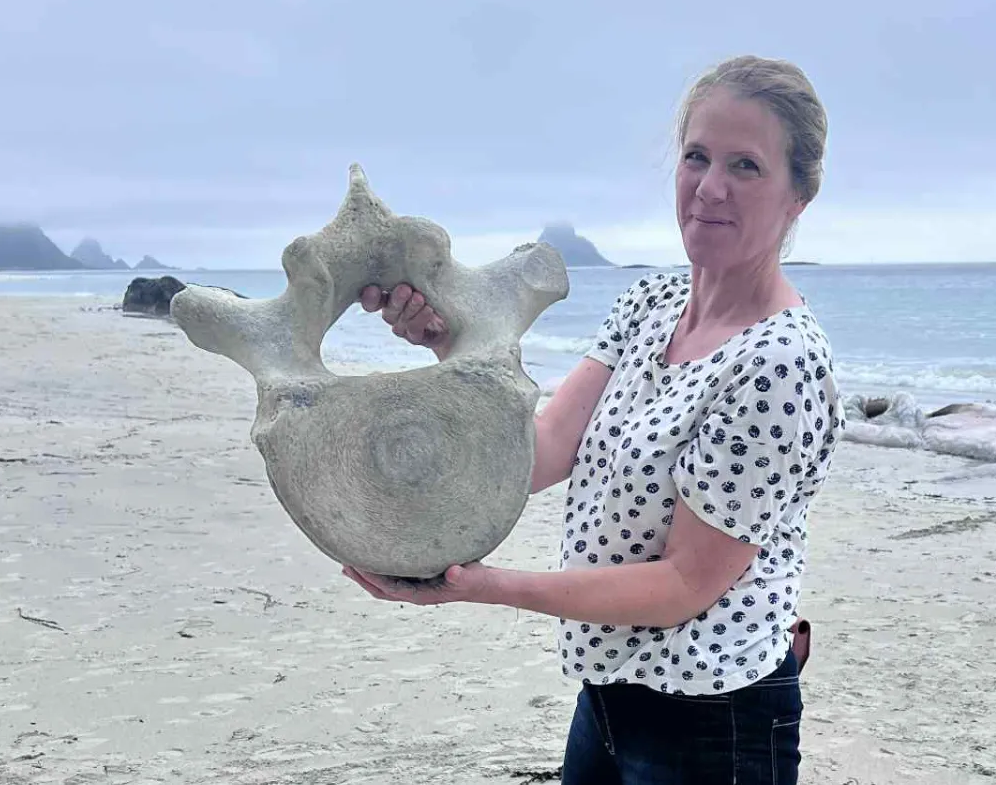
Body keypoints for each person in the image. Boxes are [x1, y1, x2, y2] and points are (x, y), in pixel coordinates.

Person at [344, 54, 844, 784]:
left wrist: (483, 584)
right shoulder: (649, 305)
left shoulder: (779, 363)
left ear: (798, 197)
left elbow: (682, 585)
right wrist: (452, 349)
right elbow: (542, 450)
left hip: (715, 721)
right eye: (697, 157)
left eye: (746, 166)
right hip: (609, 698)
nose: (709, 188)